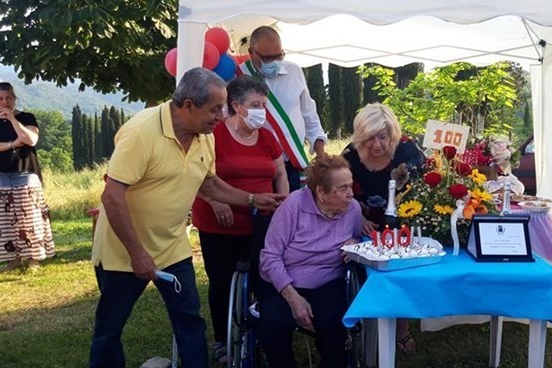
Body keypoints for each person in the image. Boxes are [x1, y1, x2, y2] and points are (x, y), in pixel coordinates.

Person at [88, 68, 285, 368]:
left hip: (172, 248)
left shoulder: (204, 136)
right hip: (123, 252)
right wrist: (138, 254)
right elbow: (111, 197)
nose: (221, 115)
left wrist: (250, 199)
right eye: (215, 108)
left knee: (190, 322)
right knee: (109, 330)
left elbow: (209, 183)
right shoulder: (141, 132)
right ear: (189, 105)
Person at [190, 75, 288, 364]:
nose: (262, 110)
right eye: (256, 104)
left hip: (263, 221)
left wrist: (283, 204)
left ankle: (261, 333)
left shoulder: (268, 137)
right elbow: (196, 176)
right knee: (221, 282)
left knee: (265, 280)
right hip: (220, 220)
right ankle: (222, 339)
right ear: (236, 105)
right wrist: (215, 200)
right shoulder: (213, 135)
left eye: (264, 104)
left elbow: (280, 173)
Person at [258, 155, 362, 368]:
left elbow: (357, 238)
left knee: (335, 322)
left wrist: (354, 242)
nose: (350, 194)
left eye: (350, 186)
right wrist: (294, 299)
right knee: (273, 325)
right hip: (283, 280)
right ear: (321, 193)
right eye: (342, 189)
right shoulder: (293, 206)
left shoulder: (353, 209)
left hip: (328, 280)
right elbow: (270, 256)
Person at [342, 103, 424, 353]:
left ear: (392, 134)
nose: (377, 145)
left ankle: (401, 329)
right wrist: (358, 219)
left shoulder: (408, 151)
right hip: (361, 223)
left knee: (400, 273)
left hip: (402, 221)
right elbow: (339, 195)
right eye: (369, 138)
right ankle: (361, 322)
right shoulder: (349, 157)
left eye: (382, 137)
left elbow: (423, 192)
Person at [237, 25, 328, 192]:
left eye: (278, 56)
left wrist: (321, 154)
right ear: (251, 53)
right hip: (259, 166)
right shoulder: (239, 76)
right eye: (267, 58)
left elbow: (309, 115)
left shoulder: (294, 71)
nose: (274, 62)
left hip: (293, 163)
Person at [0, 81, 54, 272]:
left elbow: (30, 139)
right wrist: (12, 144)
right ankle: (12, 260)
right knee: (3, 221)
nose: (4, 102)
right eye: (0, 98)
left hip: (25, 172)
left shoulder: (27, 117)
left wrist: (12, 119)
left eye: (8, 98)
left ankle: (33, 259)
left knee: (31, 218)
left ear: (14, 98)